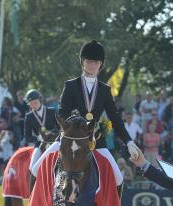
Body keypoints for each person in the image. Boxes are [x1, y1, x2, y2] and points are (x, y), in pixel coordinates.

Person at [56, 39, 141, 187]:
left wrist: (129, 141)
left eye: (96, 62)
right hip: (71, 139)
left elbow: (115, 118)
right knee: (36, 168)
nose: (92, 65)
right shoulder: (70, 86)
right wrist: (71, 127)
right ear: (82, 62)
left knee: (118, 179)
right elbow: (62, 113)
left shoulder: (104, 90)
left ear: (100, 64)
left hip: (95, 140)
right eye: (89, 61)